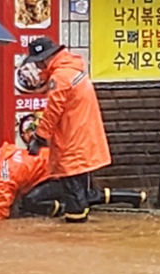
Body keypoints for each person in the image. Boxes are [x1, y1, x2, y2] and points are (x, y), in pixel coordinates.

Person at [19, 36, 112, 223]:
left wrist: (39, 137)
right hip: (82, 137)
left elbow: (53, 110)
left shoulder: (60, 77)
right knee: (79, 188)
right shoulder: (70, 70)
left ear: (44, 59)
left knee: (73, 193)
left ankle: (75, 229)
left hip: (72, 141)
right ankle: (80, 224)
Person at [0, 119, 146, 220]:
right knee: (85, 195)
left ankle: (59, 209)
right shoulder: (7, 151)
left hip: (60, 171)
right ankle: (134, 196)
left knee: (34, 201)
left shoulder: (3, 175)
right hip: (65, 163)